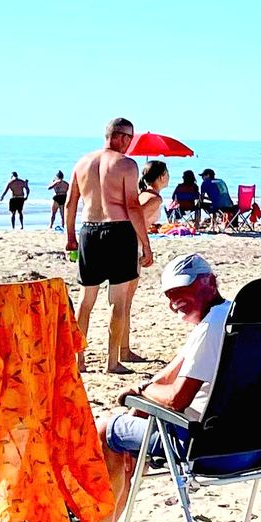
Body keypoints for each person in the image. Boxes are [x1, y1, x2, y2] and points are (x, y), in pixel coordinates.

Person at [54, 253, 261, 522]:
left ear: (209, 282)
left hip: (209, 447)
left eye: (182, 291)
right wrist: (141, 400)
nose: (175, 302)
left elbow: (178, 398)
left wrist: (144, 393)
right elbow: (174, 368)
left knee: (105, 431)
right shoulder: (237, 318)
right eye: (170, 296)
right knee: (127, 429)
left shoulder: (210, 329)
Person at [64, 117, 153, 374]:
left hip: (89, 230)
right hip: (119, 231)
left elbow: (71, 204)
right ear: (119, 136)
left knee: (86, 299)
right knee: (119, 301)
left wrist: (70, 236)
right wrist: (146, 245)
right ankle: (112, 361)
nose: (130, 143)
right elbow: (133, 206)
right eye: (129, 137)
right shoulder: (126, 164)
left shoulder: (82, 162)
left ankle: (78, 359)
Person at [118, 160, 169, 363]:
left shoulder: (141, 196)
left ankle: (123, 348)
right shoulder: (153, 198)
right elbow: (133, 222)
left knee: (123, 302)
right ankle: (124, 349)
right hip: (132, 247)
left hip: (129, 245)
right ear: (161, 176)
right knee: (125, 302)